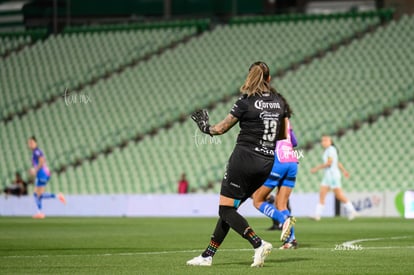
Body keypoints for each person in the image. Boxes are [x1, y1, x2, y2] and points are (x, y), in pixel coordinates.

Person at [187, 61, 289, 267]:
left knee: (225, 211)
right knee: (229, 211)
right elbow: (282, 135)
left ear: (250, 77)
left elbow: (222, 128)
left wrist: (205, 128)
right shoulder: (279, 102)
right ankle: (207, 256)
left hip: (244, 160)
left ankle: (258, 243)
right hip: (266, 163)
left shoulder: (245, 101)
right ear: (268, 79)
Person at [252, 118, 299, 250]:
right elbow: (294, 142)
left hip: (279, 162)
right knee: (281, 204)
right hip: (292, 162)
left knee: (257, 200)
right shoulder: (287, 120)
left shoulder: (268, 118)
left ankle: (284, 221)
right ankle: (291, 241)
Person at [310, 135, 357, 220]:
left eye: (325, 140)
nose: (323, 142)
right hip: (328, 176)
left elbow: (329, 163)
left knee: (339, 195)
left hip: (332, 176)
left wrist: (316, 169)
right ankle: (317, 215)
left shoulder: (331, 150)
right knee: (322, 194)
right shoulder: (329, 150)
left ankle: (353, 211)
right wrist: (344, 171)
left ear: (330, 142)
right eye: (322, 141)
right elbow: (337, 163)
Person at [28, 136, 66, 219]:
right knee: (38, 194)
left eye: (32, 142)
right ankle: (57, 197)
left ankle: (40, 212)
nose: (30, 144)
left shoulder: (36, 152)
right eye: (29, 143)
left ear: (35, 143)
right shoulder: (36, 152)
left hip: (42, 174)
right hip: (43, 174)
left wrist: (35, 170)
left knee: (37, 194)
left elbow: (42, 161)